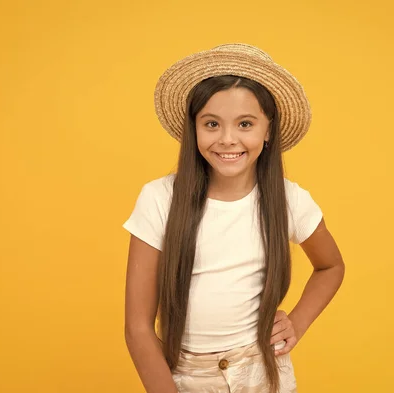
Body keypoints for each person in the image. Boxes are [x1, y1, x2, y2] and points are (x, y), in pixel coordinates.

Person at [123, 43, 345, 393]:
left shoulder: (288, 200)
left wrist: (298, 322)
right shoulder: (159, 199)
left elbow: (331, 266)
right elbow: (137, 326)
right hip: (185, 377)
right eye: (212, 124)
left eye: (245, 123)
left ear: (268, 130)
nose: (227, 139)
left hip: (262, 374)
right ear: (193, 128)